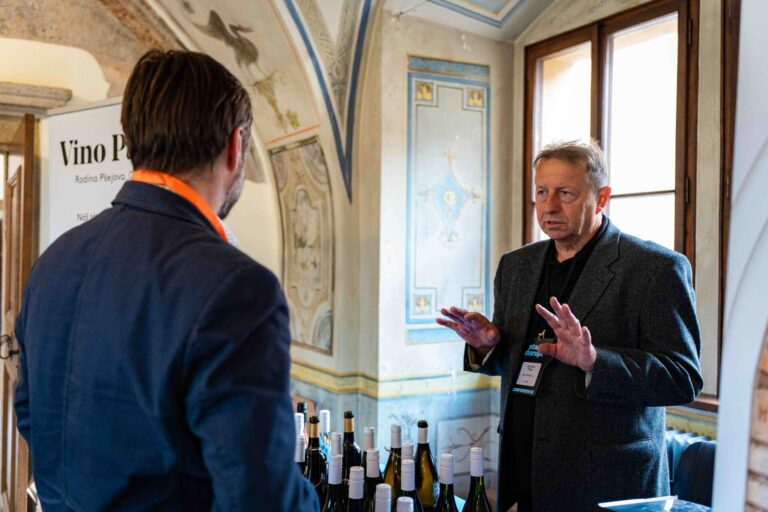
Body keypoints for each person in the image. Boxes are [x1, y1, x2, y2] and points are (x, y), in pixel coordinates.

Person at [14, 50, 319, 511]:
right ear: (235, 146)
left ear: (134, 139)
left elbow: (31, 413)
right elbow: (262, 498)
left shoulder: (53, 262)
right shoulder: (238, 288)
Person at [437, 140, 702, 512]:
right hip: (523, 468)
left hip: (607, 479)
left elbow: (682, 378)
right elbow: (520, 363)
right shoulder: (516, 266)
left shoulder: (655, 269)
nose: (549, 206)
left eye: (565, 193)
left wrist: (595, 361)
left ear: (601, 198)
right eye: (541, 193)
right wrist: (488, 344)